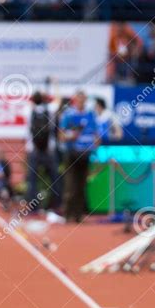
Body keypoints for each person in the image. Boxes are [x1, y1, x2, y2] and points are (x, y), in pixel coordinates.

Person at [59, 91, 100, 222]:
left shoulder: (90, 115)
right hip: (72, 154)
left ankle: (78, 215)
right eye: (79, 98)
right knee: (71, 185)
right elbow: (61, 135)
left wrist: (95, 147)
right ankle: (67, 214)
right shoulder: (68, 114)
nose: (81, 101)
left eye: (83, 98)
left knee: (82, 185)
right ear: (75, 100)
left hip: (86, 154)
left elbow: (96, 135)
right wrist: (72, 135)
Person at [26, 91, 60, 211]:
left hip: (33, 148)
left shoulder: (28, 110)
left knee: (32, 179)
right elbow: (58, 101)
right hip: (49, 149)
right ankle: (56, 205)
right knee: (54, 178)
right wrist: (55, 83)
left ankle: (33, 207)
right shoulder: (50, 109)